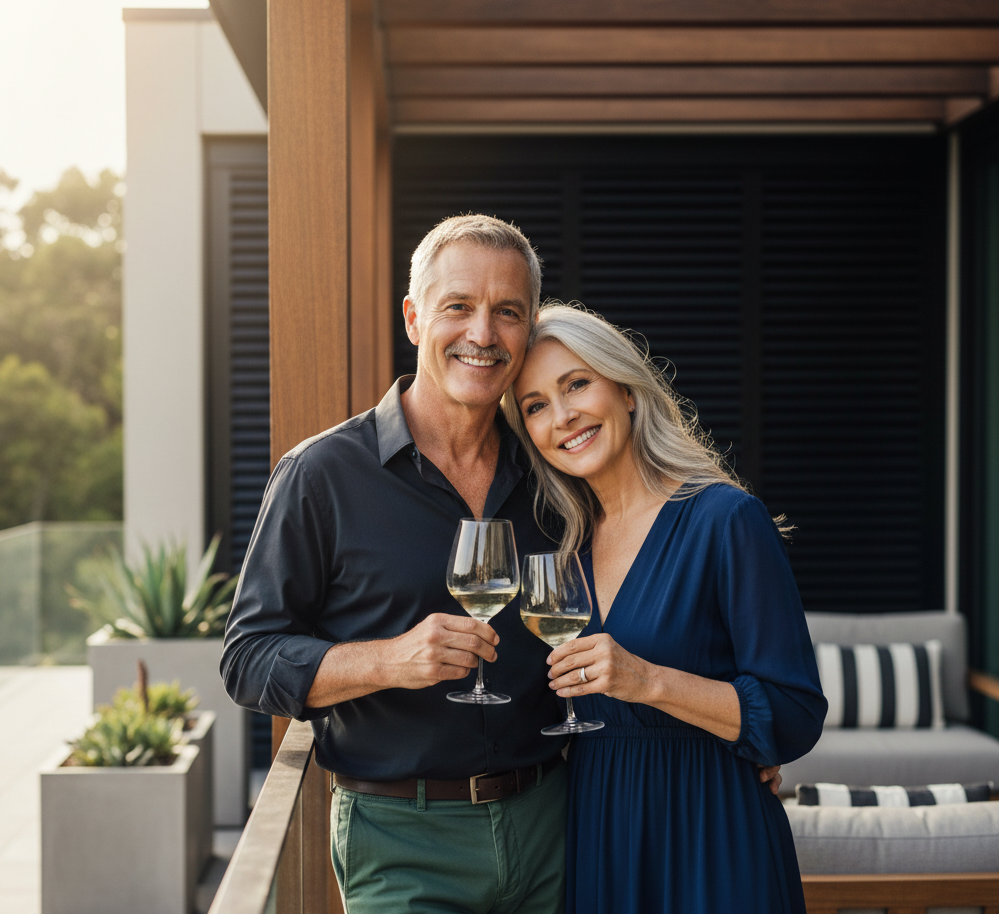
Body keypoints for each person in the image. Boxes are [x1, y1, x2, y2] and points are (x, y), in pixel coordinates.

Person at [221, 215, 569, 914]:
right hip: (401, 840)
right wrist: (386, 661)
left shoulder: (555, 474)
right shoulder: (321, 475)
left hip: (553, 826)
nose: (482, 334)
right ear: (413, 319)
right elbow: (248, 660)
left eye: (507, 312)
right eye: (458, 307)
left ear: (528, 331)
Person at [504, 303, 827, 914]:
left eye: (577, 384)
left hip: (712, 831)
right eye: (536, 405)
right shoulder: (560, 547)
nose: (563, 415)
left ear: (626, 390)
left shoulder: (726, 519)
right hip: (600, 832)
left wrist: (649, 681)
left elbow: (794, 712)